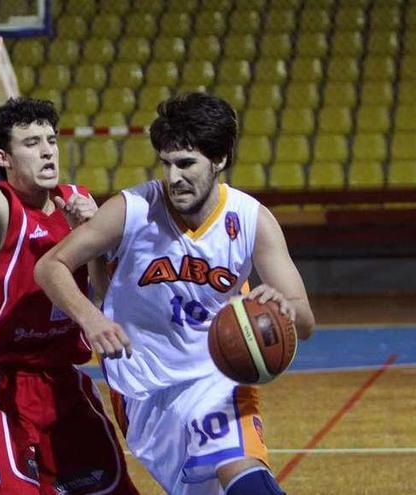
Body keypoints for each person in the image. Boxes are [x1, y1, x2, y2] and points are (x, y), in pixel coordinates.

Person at [36, 93, 315, 495]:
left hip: (218, 374)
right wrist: (91, 317)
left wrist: (286, 308)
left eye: (186, 164)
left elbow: (304, 322)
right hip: (144, 388)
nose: (174, 177)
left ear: (219, 160)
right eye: (166, 163)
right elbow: (50, 266)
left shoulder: (252, 220)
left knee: (243, 471)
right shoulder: (133, 209)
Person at [0, 11, 139, 495]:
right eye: (33, 144)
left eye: (52, 140)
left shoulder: (78, 204)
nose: (49, 151)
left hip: (66, 386)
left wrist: (93, 238)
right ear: (4, 161)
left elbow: (103, 294)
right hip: (5, 391)